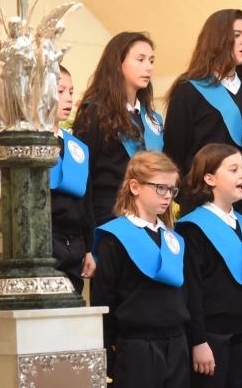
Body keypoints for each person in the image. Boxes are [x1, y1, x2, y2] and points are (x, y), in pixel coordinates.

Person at [176, 143, 242, 387]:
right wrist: (198, 341)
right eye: (233, 169)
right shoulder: (193, 228)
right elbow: (192, 289)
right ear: (209, 178)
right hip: (211, 334)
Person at [92, 151, 189, 388]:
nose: (168, 196)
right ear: (135, 187)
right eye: (160, 188)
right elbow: (103, 299)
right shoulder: (115, 237)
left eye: (172, 190)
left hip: (176, 343)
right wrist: (107, 353)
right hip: (137, 347)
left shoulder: (172, 239)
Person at [165, 9, 242, 221]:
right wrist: (188, 196)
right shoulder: (189, 90)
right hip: (203, 205)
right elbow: (174, 153)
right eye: (237, 35)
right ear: (217, 39)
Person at [72, 32, 162, 226]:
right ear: (118, 63)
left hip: (149, 216)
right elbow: (83, 176)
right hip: (110, 215)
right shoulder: (95, 112)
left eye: (151, 61)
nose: (148, 67)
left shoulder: (152, 119)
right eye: (140, 59)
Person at [51, 65, 95, 294]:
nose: (68, 99)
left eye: (71, 92)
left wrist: (88, 248)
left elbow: (86, 202)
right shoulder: (24, 143)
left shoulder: (77, 147)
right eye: (60, 91)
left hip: (74, 247)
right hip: (46, 245)